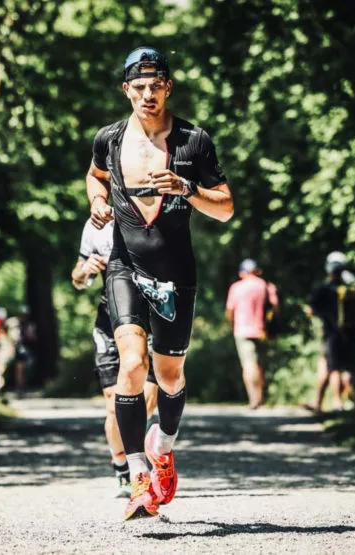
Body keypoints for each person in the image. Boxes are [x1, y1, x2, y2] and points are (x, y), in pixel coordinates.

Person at [87, 46, 234, 519]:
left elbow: (226, 207)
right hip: (124, 266)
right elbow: (95, 177)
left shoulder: (194, 140)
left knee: (169, 376)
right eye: (139, 86)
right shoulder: (108, 139)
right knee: (131, 364)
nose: (147, 94)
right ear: (125, 89)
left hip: (176, 273)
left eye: (156, 86)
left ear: (168, 87)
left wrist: (187, 190)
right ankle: (137, 477)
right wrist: (97, 201)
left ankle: (164, 447)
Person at [71, 217, 158, 497]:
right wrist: (85, 271)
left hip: (151, 314)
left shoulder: (151, 211)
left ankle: (142, 460)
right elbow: (77, 277)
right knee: (112, 403)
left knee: (147, 399)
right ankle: (123, 467)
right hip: (109, 318)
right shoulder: (96, 223)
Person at [307, 251, 355, 412]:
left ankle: (337, 402)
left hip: (332, 335)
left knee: (334, 368)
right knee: (351, 368)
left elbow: (311, 310)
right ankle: (353, 401)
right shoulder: (354, 288)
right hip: (353, 333)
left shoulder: (324, 288)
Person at [225, 258, 279, 409]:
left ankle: (253, 399)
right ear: (257, 271)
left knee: (248, 365)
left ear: (242, 273)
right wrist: (270, 325)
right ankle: (260, 397)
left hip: (242, 330)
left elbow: (230, 311)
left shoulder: (236, 287)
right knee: (260, 364)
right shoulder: (266, 285)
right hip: (262, 330)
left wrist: (232, 325)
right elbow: (276, 308)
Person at [6, 306, 37, 396]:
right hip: (20, 348)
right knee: (19, 368)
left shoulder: (30, 325)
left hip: (28, 348)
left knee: (26, 368)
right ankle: (20, 386)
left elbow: (33, 338)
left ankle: (23, 385)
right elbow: (13, 336)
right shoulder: (16, 325)